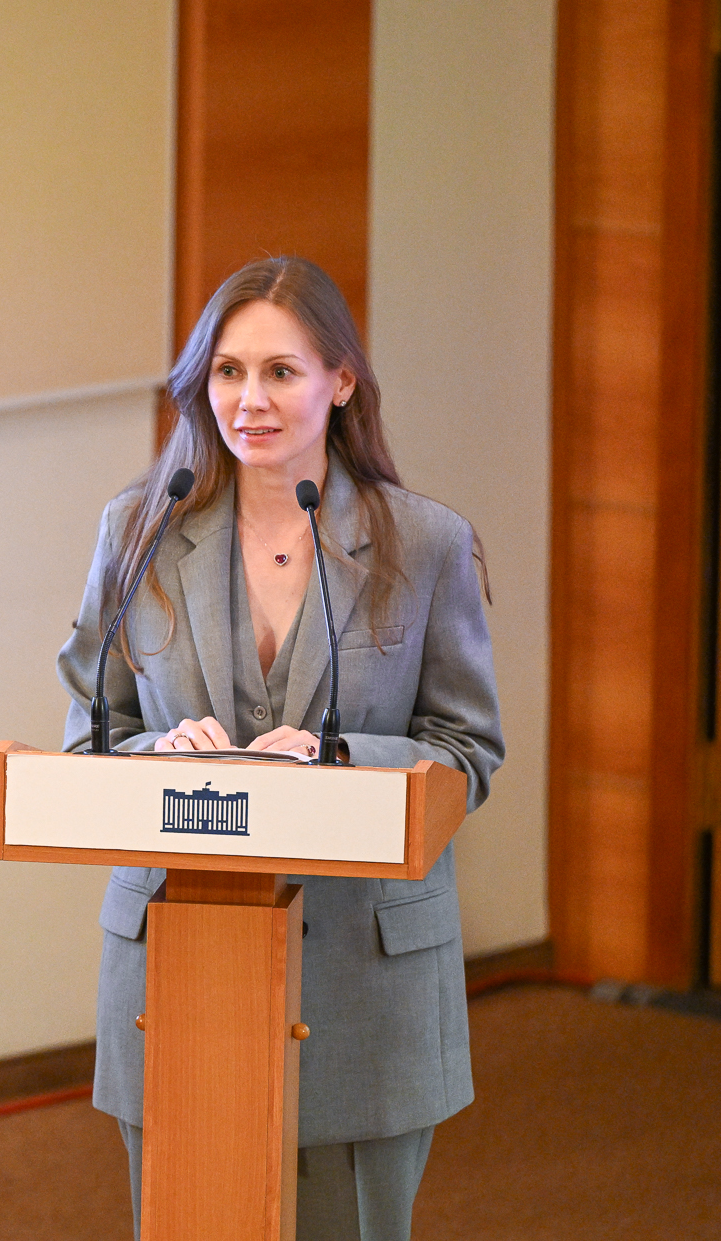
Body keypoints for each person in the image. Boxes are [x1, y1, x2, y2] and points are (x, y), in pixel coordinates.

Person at [55, 256, 503, 1241]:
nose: (247, 399)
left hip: (364, 975)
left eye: (279, 372)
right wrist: (158, 755)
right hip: (176, 969)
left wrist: (343, 766)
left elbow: (465, 748)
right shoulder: (138, 531)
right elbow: (91, 731)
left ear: (340, 381)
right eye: (227, 371)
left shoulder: (425, 543)